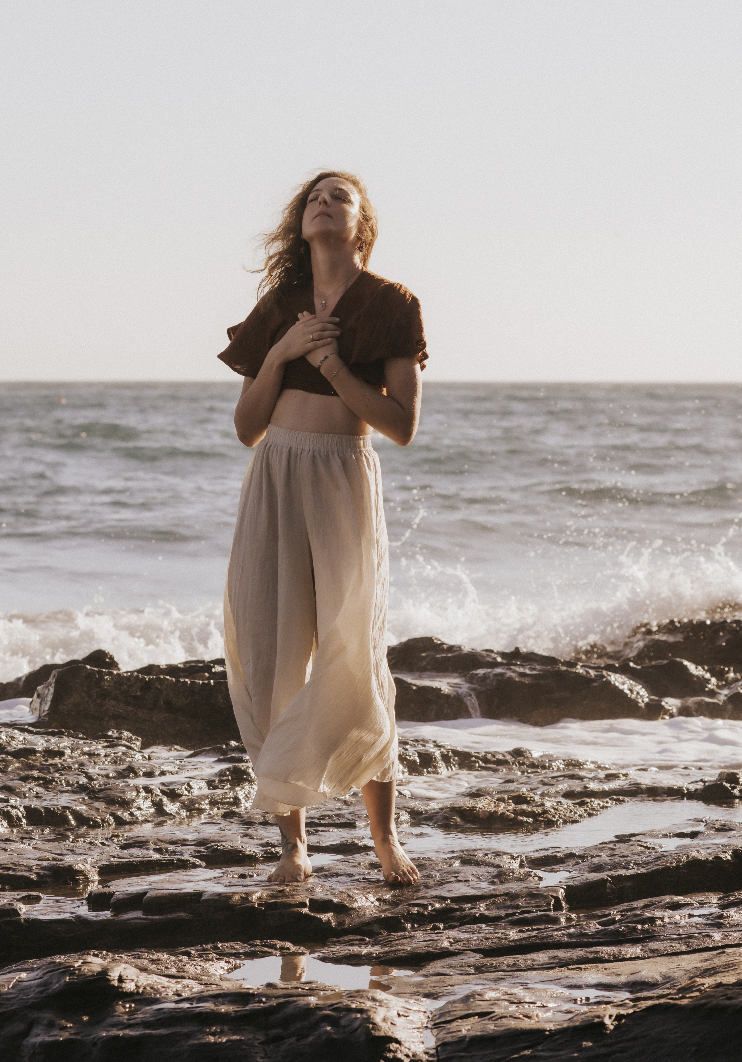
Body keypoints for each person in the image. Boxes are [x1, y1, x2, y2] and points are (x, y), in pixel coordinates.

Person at [218, 170, 427, 886]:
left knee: (355, 653)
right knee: (270, 652)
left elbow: (399, 425)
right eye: (314, 196)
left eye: (339, 196)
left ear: (361, 222)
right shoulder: (279, 307)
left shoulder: (393, 304)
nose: (323, 202)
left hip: (342, 477)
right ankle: (293, 849)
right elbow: (247, 428)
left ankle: (384, 838)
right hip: (274, 477)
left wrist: (331, 362)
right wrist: (281, 351)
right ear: (299, 222)